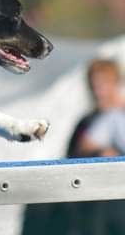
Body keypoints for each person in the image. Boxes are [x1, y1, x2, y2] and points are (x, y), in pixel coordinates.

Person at [22, 59, 125, 235]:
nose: (98, 91)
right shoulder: (87, 122)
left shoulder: (118, 116)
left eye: (103, 84)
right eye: (94, 85)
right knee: (39, 199)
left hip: (114, 199)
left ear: (115, 83)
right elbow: (72, 158)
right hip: (85, 193)